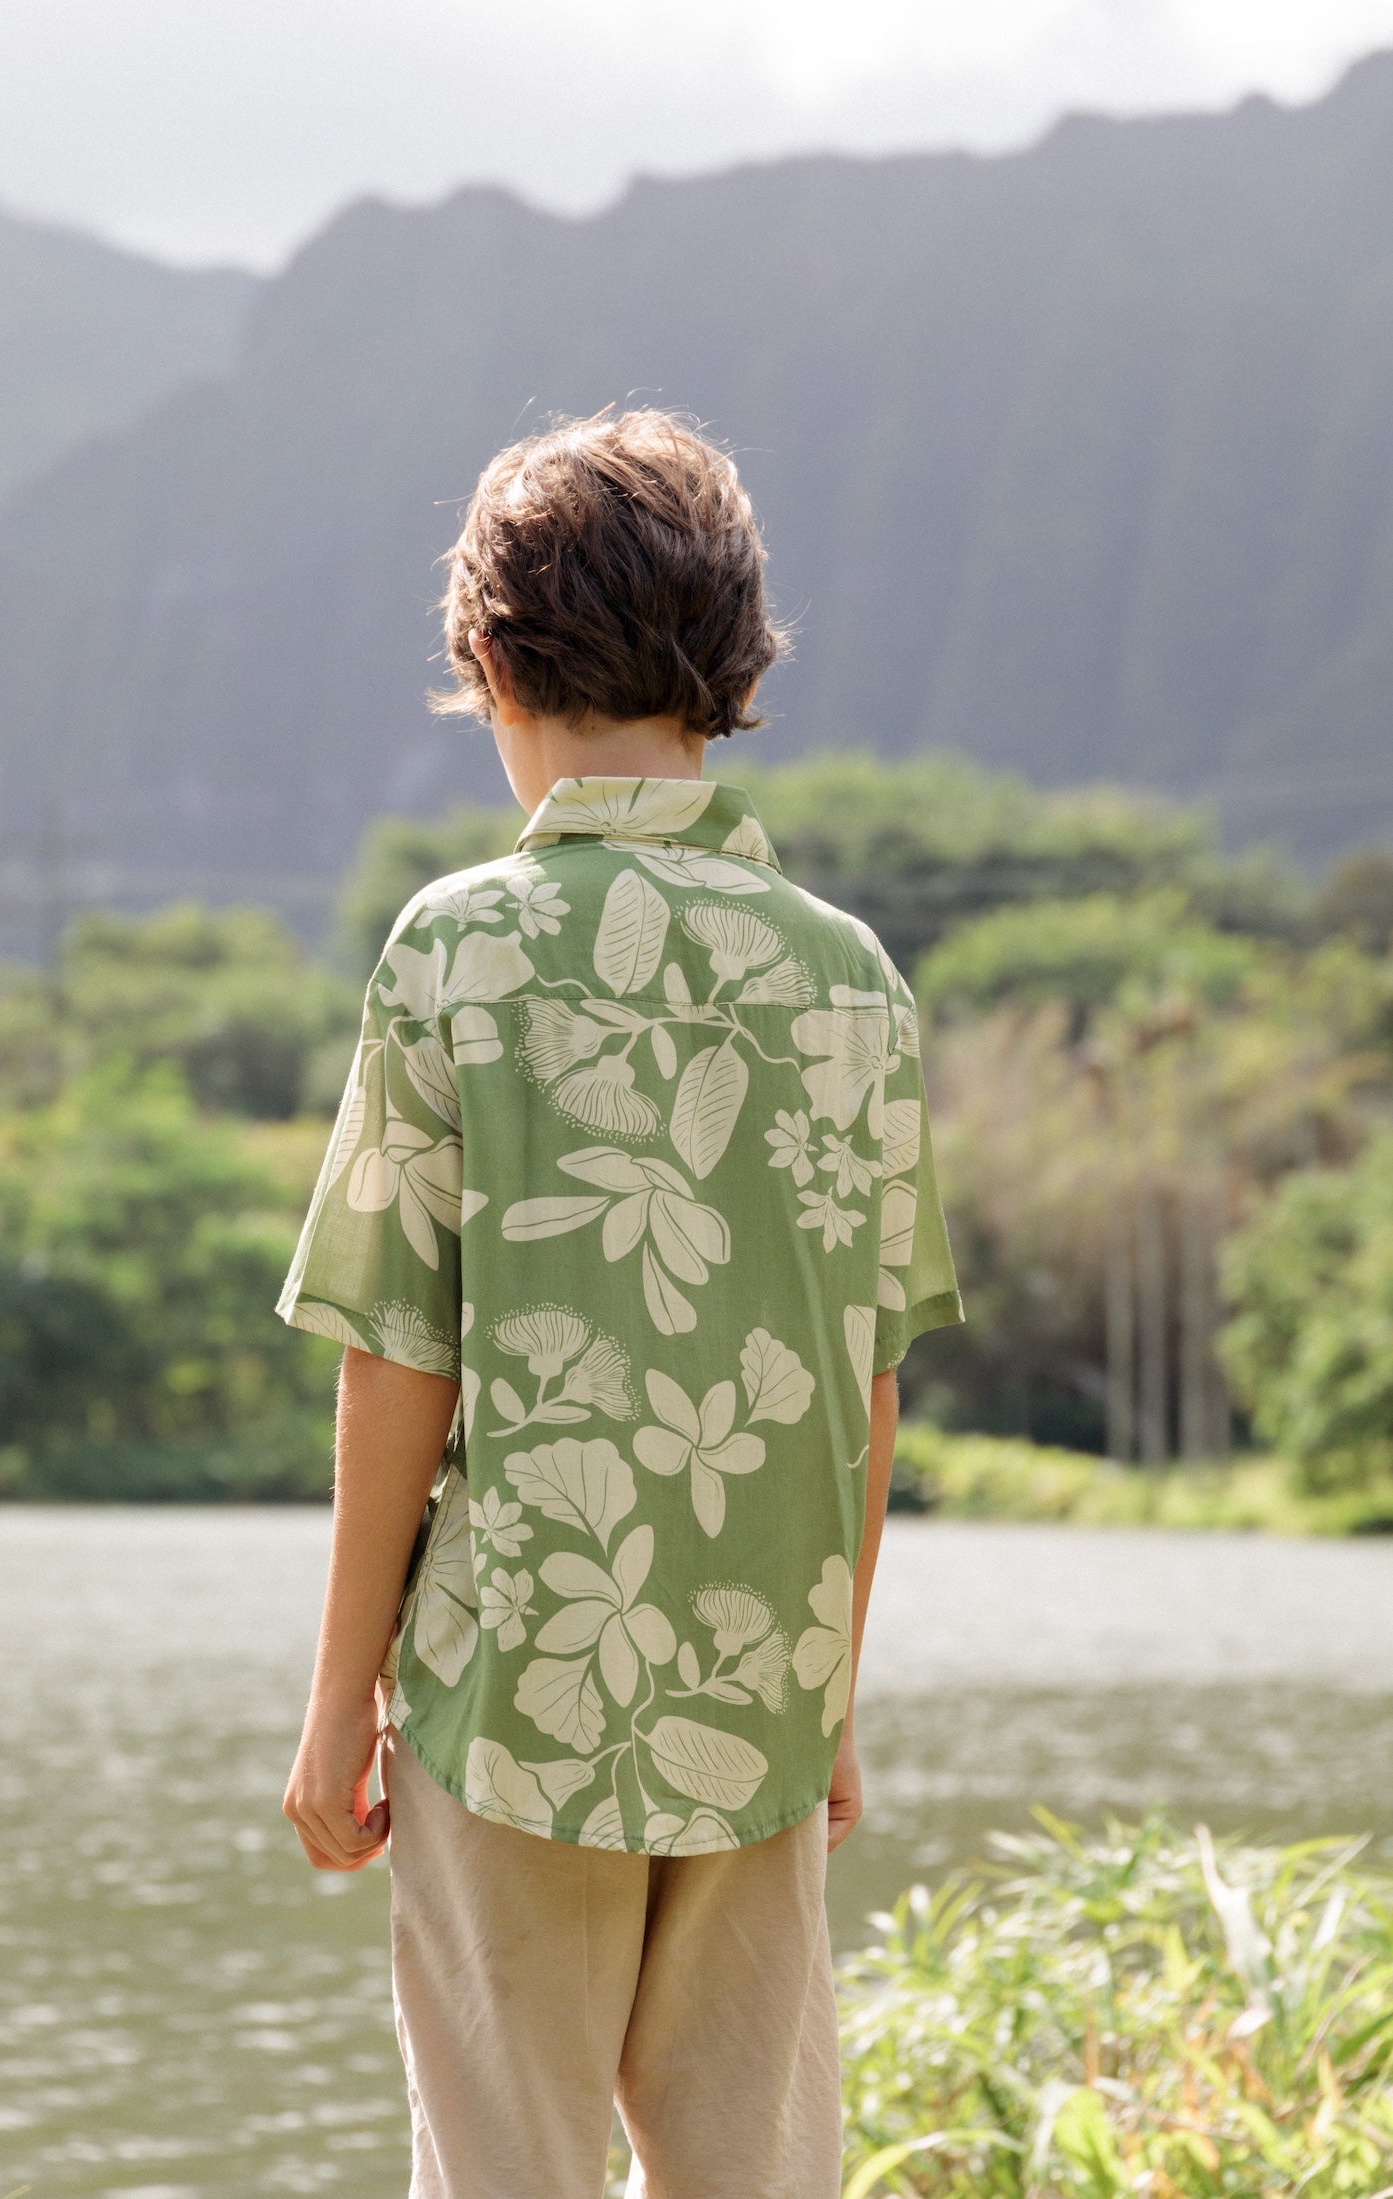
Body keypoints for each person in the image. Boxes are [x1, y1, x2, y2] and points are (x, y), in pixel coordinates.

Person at [277, 409, 963, 2198]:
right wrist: (829, 1687)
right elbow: (855, 1379)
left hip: (514, 1689)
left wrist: (342, 1696)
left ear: (488, 659)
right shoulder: (849, 982)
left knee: (505, 2171)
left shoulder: (458, 950)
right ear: (733, 669)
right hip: (761, 1684)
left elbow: (398, 1360)